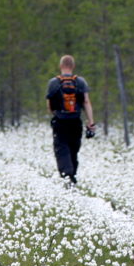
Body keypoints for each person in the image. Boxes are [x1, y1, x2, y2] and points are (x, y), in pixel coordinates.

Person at [46, 55, 95, 184]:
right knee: (73, 149)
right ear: (73, 66)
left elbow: (49, 105)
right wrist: (91, 122)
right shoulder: (80, 82)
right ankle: (72, 174)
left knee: (61, 148)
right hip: (75, 121)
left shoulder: (53, 83)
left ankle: (67, 175)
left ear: (60, 66)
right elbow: (86, 102)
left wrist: (55, 113)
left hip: (60, 122)